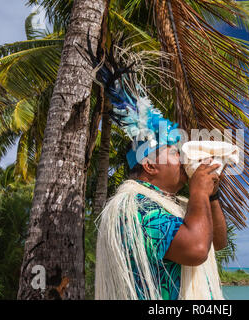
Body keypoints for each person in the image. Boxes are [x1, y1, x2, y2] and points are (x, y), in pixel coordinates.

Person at [94, 66, 228, 300]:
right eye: (174, 152)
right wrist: (197, 190)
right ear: (149, 165)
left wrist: (211, 195)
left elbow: (217, 242)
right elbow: (197, 250)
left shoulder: (175, 203)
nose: (183, 157)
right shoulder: (135, 206)